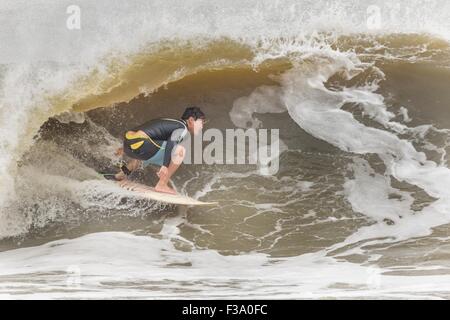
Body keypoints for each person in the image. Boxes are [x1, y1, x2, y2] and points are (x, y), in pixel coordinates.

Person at [108, 106, 206, 195]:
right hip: (141, 145)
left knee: (147, 150)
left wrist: (124, 148)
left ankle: (121, 175)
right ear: (191, 120)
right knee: (181, 150)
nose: (202, 126)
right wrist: (165, 166)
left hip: (129, 144)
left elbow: (143, 131)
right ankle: (162, 184)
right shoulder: (183, 128)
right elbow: (171, 143)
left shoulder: (171, 122)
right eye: (201, 122)